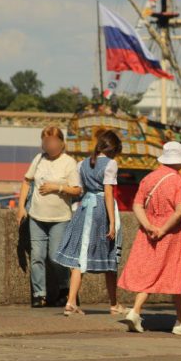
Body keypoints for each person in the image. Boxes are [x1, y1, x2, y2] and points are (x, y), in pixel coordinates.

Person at [118, 142, 181, 335]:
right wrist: (163, 230)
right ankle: (180, 321)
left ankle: (135, 311)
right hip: (173, 234)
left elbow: (137, 205)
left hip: (148, 232)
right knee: (178, 275)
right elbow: (180, 212)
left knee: (149, 273)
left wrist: (148, 226)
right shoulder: (179, 182)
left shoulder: (149, 178)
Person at [54, 130, 125, 316]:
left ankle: (71, 301)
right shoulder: (111, 164)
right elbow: (108, 193)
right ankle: (114, 304)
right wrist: (112, 223)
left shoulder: (82, 164)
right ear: (113, 149)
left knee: (79, 257)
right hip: (101, 210)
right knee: (110, 256)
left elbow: (80, 190)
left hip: (84, 208)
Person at [17, 126, 82, 308]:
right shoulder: (39, 159)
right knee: (37, 256)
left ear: (61, 143)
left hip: (60, 218)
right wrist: (21, 207)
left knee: (55, 256)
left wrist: (57, 187)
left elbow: (77, 190)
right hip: (37, 216)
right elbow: (26, 181)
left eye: (53, 141)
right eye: (46, 142)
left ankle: (64, 289)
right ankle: (39, 295)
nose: (50, 145)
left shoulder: (69, 162)